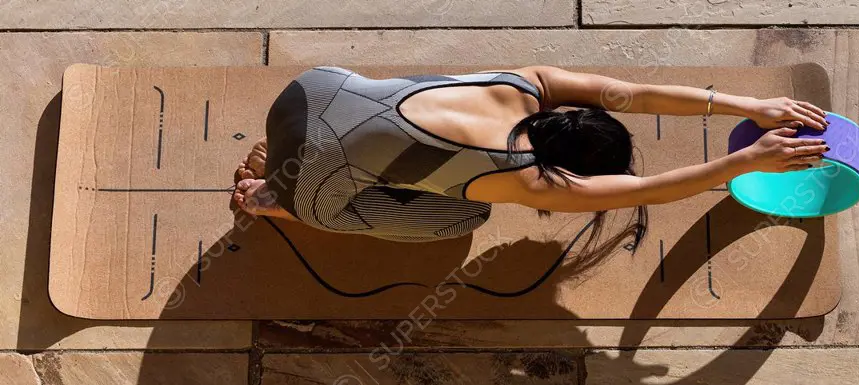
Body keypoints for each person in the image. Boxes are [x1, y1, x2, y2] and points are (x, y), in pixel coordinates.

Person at [233, 65, 827, 251]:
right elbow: (644, 192)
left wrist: (748, 105)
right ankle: (280, 201)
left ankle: (292, 151)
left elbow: (633, 95)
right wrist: (742, 162)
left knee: (402, 123)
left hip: (308, 93)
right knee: (463, 218)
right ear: (566, 169)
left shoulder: (528, 83)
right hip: (319, 174)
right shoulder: (523, 177)